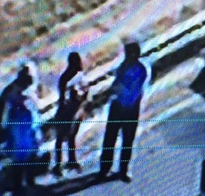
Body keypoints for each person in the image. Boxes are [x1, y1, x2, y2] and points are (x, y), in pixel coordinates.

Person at [97, 41, 151, 183]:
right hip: (118, 106)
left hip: (130, 109)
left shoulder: (140, 70)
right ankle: (105, 168)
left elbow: (131, 91)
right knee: (110, 138)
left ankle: (123, 170)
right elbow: (117, 83)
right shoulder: (123, 66)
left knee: (127, 141)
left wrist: (117, 89)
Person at [3, 62, 44, 196]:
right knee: (19, 158)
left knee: (31, 155)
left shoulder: (29, 90)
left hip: (29, 127)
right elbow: (8, 112)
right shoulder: (13, 91)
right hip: (18, 130)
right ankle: (17, 187)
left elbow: (35, 107)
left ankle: (29, 182)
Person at [52, 52, 89, 177]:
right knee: (61, 138)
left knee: (72, 136)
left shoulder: (80, 76)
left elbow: (86, 91)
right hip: (66, 112)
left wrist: (81, 101)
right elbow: (63, 98)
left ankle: (72, 160)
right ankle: (58, 164)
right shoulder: (65, 78)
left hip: (77, 111)